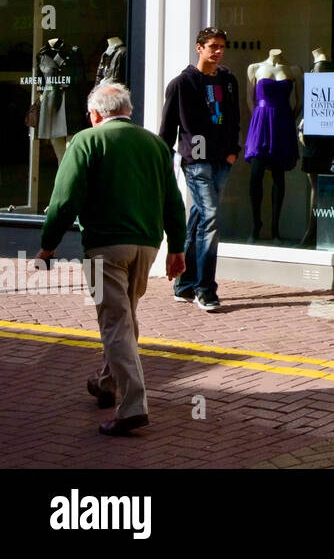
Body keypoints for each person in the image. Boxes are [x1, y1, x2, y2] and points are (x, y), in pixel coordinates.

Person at [37, 82, 186, 436]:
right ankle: (106, 382)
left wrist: (48, 246)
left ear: (95, 114)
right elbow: (173, 201)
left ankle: (133, 405)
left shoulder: (86, 141)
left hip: (105, 247)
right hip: (146, 247)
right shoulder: (154, 144)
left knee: (116, 322)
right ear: (127, 111)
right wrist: (177, 248)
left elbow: (64, 199)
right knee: (125, 317)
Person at [159, 26, 240, 311]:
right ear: (199, 48)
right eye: (212, 46)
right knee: (211, 218)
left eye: (221, 47)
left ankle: (184, 284)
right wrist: (164, 162)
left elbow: (234, 117)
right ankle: (205, 290)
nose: (217, 52)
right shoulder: (182, 82)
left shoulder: (228, 80)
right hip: (197, 160)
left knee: (199, 218)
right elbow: (168, 128)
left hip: (222, 160)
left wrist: (232, 152)